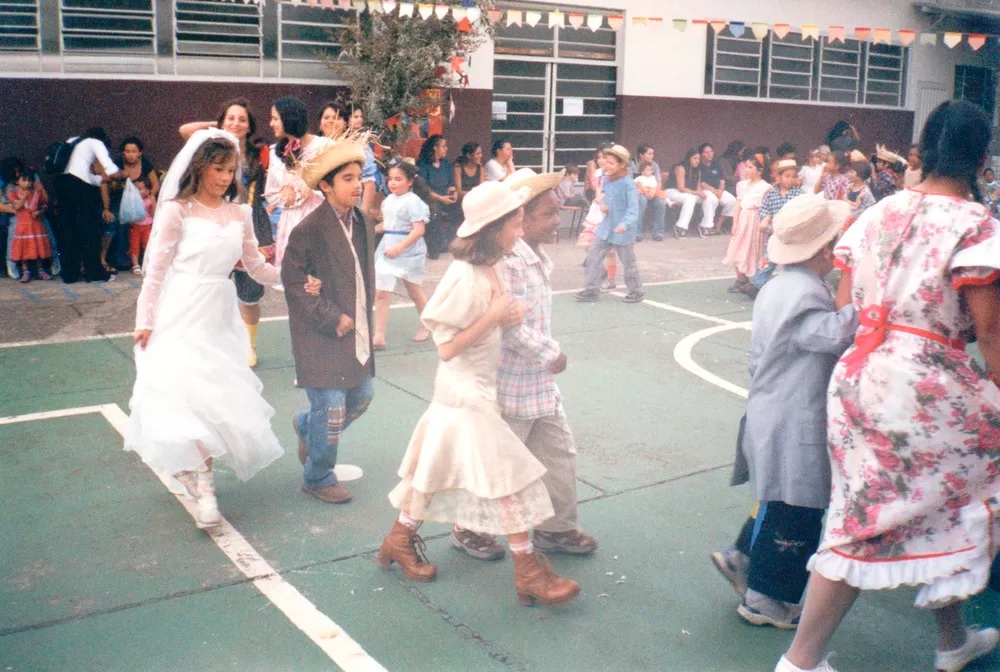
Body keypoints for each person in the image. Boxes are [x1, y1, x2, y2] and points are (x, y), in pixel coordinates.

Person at [776, 100, 1000, 672]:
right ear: (980, 158)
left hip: (858, 378)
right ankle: (799, 663)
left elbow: (848, 302)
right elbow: (992, 337)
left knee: (920, 506)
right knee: (923, 508)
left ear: (924, 147)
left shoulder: (875, 212)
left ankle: (952, 642)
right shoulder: (976, 226)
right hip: (927, 384)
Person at [377, 180, 581, 607]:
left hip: (479, 388)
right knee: (508, 478)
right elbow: (446, 347)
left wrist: (508, 315)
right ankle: (527, 569)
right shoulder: (466, 275)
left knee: (431, 471)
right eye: (516, 223)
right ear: (493, 228)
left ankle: (398, 538)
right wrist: (495, 316)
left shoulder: (495, 266)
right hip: (464, 392)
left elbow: (500, 319)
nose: (520, 232)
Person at [125, 130, 300, 529]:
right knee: (183, 393)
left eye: (231, 170)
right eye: (218, 169)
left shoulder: (239, 213)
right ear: (200, 167)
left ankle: (195, 474)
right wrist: (145, 321)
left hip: (218, 315)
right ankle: (205, 487)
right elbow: (156, 271)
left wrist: (291, 277)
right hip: (179, 309)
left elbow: (255, 266)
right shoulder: (176, 210)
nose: (225, 177)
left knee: (212, 397)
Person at [720, 194, 857, 631]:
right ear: (824, 250)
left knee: (778, 499)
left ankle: (744, 560)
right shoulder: (802, 292)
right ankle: (765, 599)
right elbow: (830, 336)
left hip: (775, 408)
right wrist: (868, 306)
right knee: (795, 510)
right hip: (793, 415)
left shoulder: (781, 284)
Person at [450, 169, 599, 562]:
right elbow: (507, 326)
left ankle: (556, 527)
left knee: (557, 452)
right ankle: (470, 527)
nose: (556, 221)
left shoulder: (535, 255)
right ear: (521, 219)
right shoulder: (508, 261)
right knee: (497, 460)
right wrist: (552, 354)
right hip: (511, 383)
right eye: (548, 215)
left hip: (539, 384)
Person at [284, 135, 376, 505]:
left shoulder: (364, 222)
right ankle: (318, 476)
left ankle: (307, 425)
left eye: (359, 177)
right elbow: (293, 283)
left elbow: (362, 275)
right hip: (322, 331)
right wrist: (329, 314)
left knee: (362, 396)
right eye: (348, 179)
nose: (357, 185)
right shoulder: (307, 230)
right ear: (326, 185)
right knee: (333, 406)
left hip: (355, 328)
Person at [181, 98, 275, 368]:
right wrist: (217, 127)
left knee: (249, 293)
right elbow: (185, 130)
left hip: (253, 226)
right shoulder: (210, 150)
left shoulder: (261, 155)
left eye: (242, 119)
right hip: (216, 224)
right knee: (211, 287)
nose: (236, 123)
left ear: (250, 126)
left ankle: (250, 345)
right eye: (230, 118)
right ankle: (210, 345)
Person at [265, 96, 332, 268]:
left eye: (275, 118)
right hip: (291, 220)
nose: (271, 124)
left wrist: (312, 190)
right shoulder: (275, 152)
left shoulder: (325, 146)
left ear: (289, 118)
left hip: (320, 218)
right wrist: (284, 194)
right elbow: (271, 191)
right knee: (294, 280)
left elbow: (338, 185)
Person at [372, 160, 432, 350]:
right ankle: (379, 335)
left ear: (410, 181)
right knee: (381, 292)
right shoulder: (388, 200)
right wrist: (369, 231)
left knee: (414, 292)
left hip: (409, 252)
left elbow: (418, 230)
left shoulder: (414, 202)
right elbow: (387, 226)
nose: (393, 183)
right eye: (390, 179)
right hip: (387, 249)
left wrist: (399, 248)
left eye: (398, 179)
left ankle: (426, 325)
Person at [574, 145, 644, 304]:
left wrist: (624, 225)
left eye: (611, 163)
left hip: (622, 231)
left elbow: (633, 210)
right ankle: (592, 289)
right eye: (606, 162)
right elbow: (604, 198)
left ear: (622, 165)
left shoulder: (628, 183)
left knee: (628, 262)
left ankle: (636, 290)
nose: (606, 166)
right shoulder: (606, 179)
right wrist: (603, 205)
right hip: (606, 227)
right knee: (592, 256)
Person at [54, 127, 124, 283]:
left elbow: (81, 173)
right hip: (80, 189)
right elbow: (111, 170)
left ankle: (69, 274)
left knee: (68, 230)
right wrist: (123, 175)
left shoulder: (72, 141)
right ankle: (94, 272)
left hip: (61, 185)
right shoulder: (95, 142)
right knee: (90, 230)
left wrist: (99, 180)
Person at [743, 159, 805, 298]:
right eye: (787, 176)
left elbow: (803, 212)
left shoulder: (800, 195)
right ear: (778, 177)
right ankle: (757, 284)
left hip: (792, 235)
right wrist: (766, 223)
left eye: (793, 176)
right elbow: (764, 210)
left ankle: (795, 287)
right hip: (775, 234)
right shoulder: (771, 194)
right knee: (767, 259)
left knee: (793, 262)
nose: (790, 180)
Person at [101, 136, 161, 273]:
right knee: (119, 223)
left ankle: (144, 259)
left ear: (140, 153)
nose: (130, 155)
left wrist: (151, 197)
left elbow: (156, 184)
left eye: (134, 151)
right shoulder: (117, 164)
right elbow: (106, 183)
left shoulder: (145, 164)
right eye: (127, 151)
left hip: (142, 203)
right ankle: (121, 260)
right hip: (121, 202)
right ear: (123, 152)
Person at [723, 156, 770, 294]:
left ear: (759, 170)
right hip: (743, 218)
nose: (746, 170)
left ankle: (756, 281)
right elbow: (738, 204)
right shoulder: (742, 185)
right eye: (746, 166)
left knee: (754, 249)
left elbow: (767, 208)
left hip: (755, 219)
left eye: (750, 167)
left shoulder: (766, 187)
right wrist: (735, 223)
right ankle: (741, 278)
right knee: (737, 247)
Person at [417, 135, 458, 258]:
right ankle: (434, 248)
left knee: (461, 208)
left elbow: (451, 184)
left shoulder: (445, 164)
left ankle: (451, 244)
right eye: (443, 146)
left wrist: (453, 193)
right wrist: (441, 198)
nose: (446, 149)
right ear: (435, 148)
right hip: (430, 199)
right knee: (435, 210)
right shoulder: (423, 164)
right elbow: (424, 189)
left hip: (445, 198)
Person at [9, 170, 53, 282]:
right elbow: (17, 207)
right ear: (18, 181)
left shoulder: (37, 193)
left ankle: (41, 270)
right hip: (23, 226)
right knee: (24, 249)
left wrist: (40, 212)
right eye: (24, 180)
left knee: (38, 248)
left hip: (36, 225)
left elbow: (45, 204)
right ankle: (25, 271)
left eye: (30, 180)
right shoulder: (13, 193)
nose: (27, 183)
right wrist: (25, 196)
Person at [697, 143, 737, 235]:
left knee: (732, 200)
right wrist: (715, 191)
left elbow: (722, 179)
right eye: (706, 152)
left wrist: (720, 190)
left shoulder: (716, 165)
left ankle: (718, 224)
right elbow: (701, 183)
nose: (709, 154)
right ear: (701, 154)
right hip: (705, 190)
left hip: (718, 190)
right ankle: (705, 226)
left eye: (711, 151)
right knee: (712, 199)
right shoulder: (699, 166)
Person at [664, 149, 704, 238]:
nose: (697, 161)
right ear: (689, 158)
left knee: (707, 198)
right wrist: (697, 192)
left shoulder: (698, 170)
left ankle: (705, 226)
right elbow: (681, 188)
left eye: (699, 159)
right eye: (695, 158)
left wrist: (701, 193)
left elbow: (698, 187)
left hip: (687, 193)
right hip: (671, 191)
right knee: (690, 198)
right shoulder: (681, 167)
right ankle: (680, 227)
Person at [630, 144, 667, 241]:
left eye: (652, 154)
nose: (652, 156)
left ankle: (658, 233)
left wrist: (652, 192)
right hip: (638, 193)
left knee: (661, 202)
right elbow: (630, 183)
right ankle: (637, 233)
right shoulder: (631, 164)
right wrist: (643, 191)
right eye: (649, 154)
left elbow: (659, 182)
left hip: (653, 191)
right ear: (641, 155)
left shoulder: (654, 165)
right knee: (641, 200)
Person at [128, 178, 155, 274]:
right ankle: (135, 264)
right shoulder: (133, 200)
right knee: (134, 245)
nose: (137, 192)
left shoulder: (150, 199)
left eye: (140, 189)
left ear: (147, 190)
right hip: (135, 226)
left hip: (147, 225)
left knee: (147, 244)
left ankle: (147, 263)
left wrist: (152, 201)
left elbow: (153, 213)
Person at [844, 161, 876, 229]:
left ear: (860, 176)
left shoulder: (865, 192)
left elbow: (871, 207)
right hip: (845, 220)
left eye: (852, 172)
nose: (849, 174)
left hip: (858, 224)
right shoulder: (849, 187)